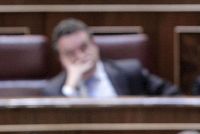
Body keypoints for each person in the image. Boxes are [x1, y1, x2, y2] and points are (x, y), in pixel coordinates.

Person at [43, 18, 179, 97]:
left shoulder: (129, 72)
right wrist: (70, 88)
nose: (80, 56)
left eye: (84, 47)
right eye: (70, 53)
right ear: (60, 59)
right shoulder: (53, 90)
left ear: (95, 45)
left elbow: (173, 96)